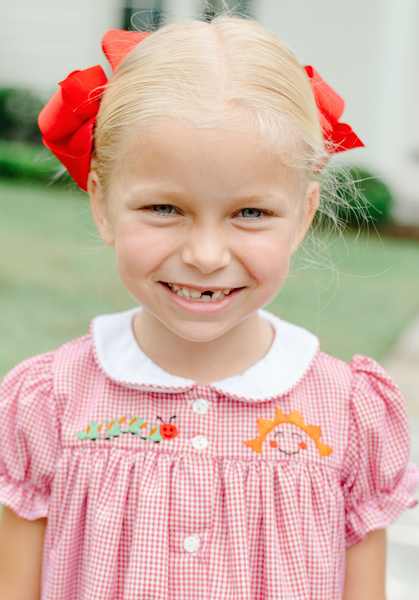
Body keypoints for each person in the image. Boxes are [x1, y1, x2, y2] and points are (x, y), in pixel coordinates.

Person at [0, 15, 417, 600]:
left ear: (302, 216)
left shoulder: (349, 415)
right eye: (164, 208)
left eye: (251, 213)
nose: (204, 255)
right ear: (101, 201)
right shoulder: (48, 404)